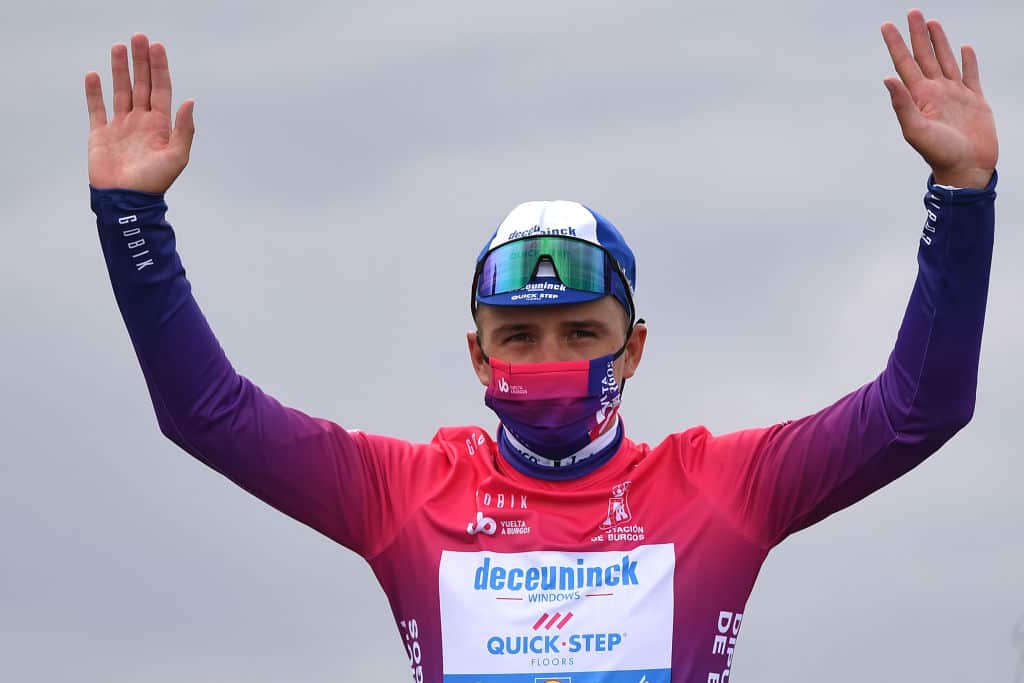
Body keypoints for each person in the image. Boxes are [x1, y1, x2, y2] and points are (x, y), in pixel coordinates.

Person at [85, 9, 997, 683]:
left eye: (581, 333)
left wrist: (962, 194)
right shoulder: (402, 495)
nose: (549, 356)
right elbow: (206, 414)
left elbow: (921, 408)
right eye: (518, 335)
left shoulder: (722, 488)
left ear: (633, 348)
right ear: (478, 357)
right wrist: (132, 218)